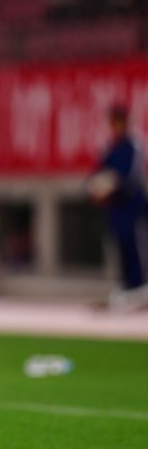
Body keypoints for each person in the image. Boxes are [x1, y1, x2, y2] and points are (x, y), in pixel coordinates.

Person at [88, 104, 148, 309]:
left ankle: (139, 288)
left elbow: (131, 178)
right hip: (115, 209)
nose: (116, 126)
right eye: (114, 122)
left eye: (120, 121)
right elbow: (97, 174)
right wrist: (96, 188)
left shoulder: (133, 146)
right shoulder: (109, 147)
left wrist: (114, 184)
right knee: (119, 249)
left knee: (134, 248)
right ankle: (126, 287)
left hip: (131, 207)